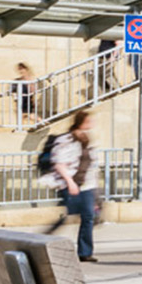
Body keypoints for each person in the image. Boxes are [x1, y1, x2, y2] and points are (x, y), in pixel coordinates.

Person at [43, 111, 99, 262]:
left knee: (88, 216)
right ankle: (42, 239)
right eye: (89, 120)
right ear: (81, 121)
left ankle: (85, 252)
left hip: (86, 184)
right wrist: (70, 182)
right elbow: (59, 163)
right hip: (70, 183)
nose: (92, 123)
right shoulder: (65, 139)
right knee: (68, 216)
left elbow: (91, 163)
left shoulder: (87, 139)